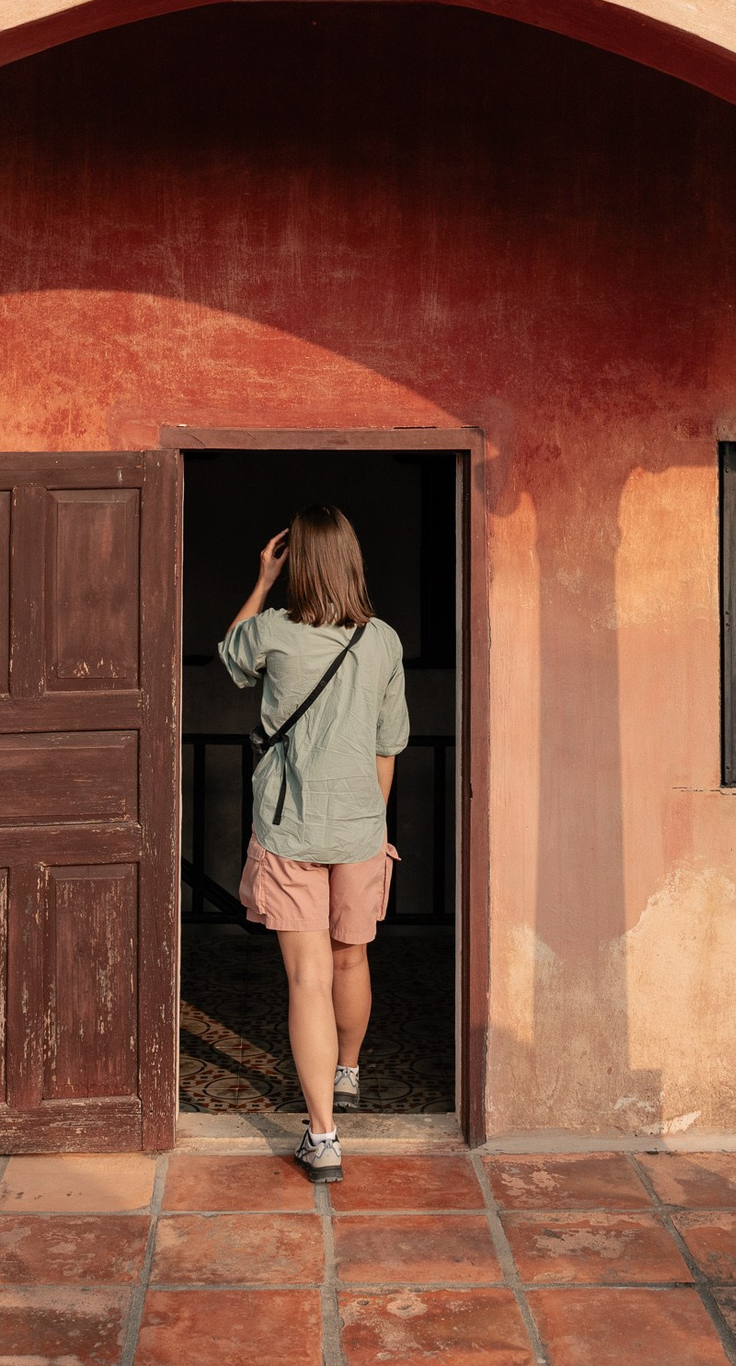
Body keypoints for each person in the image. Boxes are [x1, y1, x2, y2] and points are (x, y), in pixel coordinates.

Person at [217, 505, 409, 1184]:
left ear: (297, 561)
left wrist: (262, 581)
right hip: (359, 828)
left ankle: (323, 1138)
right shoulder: (382, 641)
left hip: (290, 828)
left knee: (308, 978)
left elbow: (230, 655)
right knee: (351, 959)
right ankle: (348, 1071)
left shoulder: (273, 631)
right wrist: (372, 826)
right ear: (352, 560)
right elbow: (388, 746)